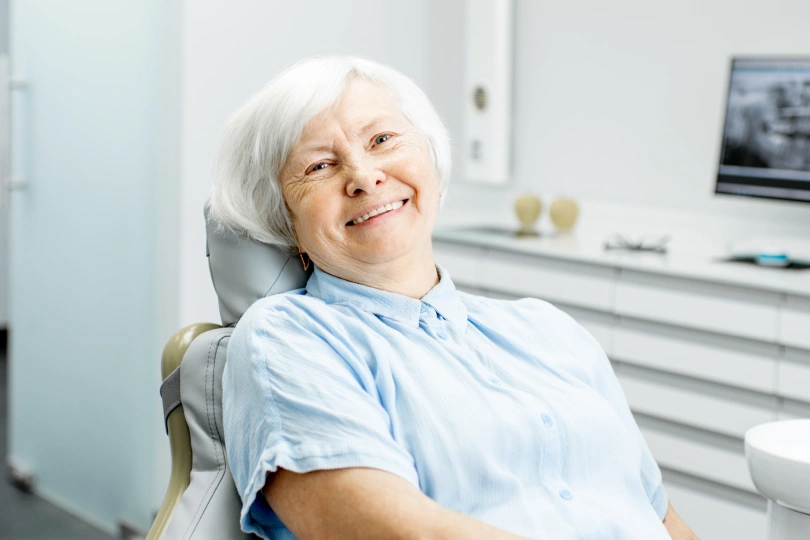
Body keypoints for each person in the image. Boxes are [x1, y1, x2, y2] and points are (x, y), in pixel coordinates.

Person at [209, 56, 699, 540]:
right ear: (286, 222)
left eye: (382, 140)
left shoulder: (551, 330)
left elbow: (662, 520)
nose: (364, 176)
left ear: (432, 162)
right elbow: (392, 533)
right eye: (319, 165)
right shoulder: (286, 339)